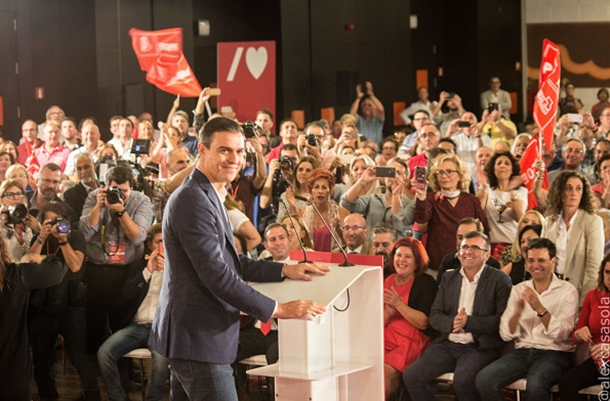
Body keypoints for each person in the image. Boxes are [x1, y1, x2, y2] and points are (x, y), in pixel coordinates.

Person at [149, 117, 328, 400]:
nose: (234, 159)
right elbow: (217, 275)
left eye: (239, 151)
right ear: (202, 151)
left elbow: (233, 261)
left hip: (199, 337)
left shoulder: (209, 193)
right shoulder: (192, 199)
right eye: (224, 150)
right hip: (198, 338)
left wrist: (284, 270)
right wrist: (278, 309)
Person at [403, 231, 512, 401]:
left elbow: (501, 322)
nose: (468, 251)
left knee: (462, 382)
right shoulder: (449, 277)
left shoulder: (500, 279)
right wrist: (453, 321)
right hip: (448, 344)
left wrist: (469, 322)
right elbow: (435, 316)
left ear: (487, 255)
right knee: (412, 376)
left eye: (475, 247)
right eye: (464, 247)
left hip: (479, 347)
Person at [475, 238, 578, 401]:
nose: (535, 265)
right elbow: (505, 334)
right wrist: (516, 313)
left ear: (553, 261)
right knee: (483, 380)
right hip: (523, 351)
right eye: (530, 260)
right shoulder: (519, 289)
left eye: (541, 260)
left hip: (555, 353)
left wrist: (540, 309)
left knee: (535, 384)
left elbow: (564, 334)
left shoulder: (567, 290)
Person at [27, 202, 100, 400]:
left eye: (57, 221)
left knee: (79, 357)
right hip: (44, 305)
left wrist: (63, 241)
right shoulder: (40, 238)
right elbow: (29, 262)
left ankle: (92, 396)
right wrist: (41, 237)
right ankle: (48, 396)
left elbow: (76, 266)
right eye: (48, 222)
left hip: (71, 304)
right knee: (40, 360)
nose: (54, 226)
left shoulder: (74, 236)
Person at [79, 165, 154, 352]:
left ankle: (123, 374)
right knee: (93, 325)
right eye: (114, 190)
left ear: (132, 188)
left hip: (125, 272)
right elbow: (84, 234)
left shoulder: (141, 201)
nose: (118, 195)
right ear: (105, 186)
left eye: (124, 191)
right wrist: (98, 206)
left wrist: (121, 211)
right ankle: (95, 369)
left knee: (121, 325)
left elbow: (137, 237)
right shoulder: (95, 197)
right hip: (95, 270)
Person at [97, 223, 170, 401]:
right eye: (159, 241)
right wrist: (148, 271)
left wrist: (169, 270)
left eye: (166, 242)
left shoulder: (178, 270)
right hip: (137, 327)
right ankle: (118, 398)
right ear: (151, 245)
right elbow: (126, 294)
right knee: (104, 353)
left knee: (161, 360)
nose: (163, 245)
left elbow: (182, 298)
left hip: (162, 327)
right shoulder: (138, 267)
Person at [0, 246, 65, 401]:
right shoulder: (17, 275)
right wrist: (39, 258)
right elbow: (59, 268)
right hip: (12, 377)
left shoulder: (17, 274)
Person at [413, 153, 489, 275]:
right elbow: (421, 223)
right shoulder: (430, 199)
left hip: (468, 263)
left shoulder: (471, 200)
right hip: (437, 263)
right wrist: (421, 198)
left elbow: (484, 230)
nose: (444, 176)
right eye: (440, 172)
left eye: (449, 171)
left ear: (459, 175)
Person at [383, 237, 437, 398]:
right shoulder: (388, 280)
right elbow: (380, 319)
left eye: (408, 256)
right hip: (386, 337)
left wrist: (398, 304)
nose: (402, 260)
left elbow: (424, 323)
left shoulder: (426, 282)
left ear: (417, 262)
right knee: (367, 369)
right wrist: (388, 312)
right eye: (399, 255)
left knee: (386, 373)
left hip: (412, 340)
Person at [543, 171, 603, 305]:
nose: (574, 193)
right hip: (550, 290)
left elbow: (594, 268)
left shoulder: (592, 222)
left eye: (578, 188)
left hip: (578, 291)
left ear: (583, 193)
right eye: (568, 188)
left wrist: (585, 303)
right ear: (560, 191)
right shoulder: (549, 222)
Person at [559, 253, 610, 399]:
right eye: (607, 272)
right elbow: (575, 338)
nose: (609, 278)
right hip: (599, 361)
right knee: (567, 382)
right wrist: (580, 333)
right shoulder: (592, 295)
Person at [341, 157, 415, 237]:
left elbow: (399, 225)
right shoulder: (372, 199)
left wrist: (396, 195)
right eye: (390, 172)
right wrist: (362, 181)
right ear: (384, 177)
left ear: (406, 181)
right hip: (371, 248)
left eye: (398, 173)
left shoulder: (411, 205)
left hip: (395, 248)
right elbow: (346, 203)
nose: (393, 176)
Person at [476, 151, 527, 253]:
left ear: (512, 170)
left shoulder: (520, 191)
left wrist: (512, 196)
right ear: (493, 169)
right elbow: (478, 211)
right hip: (492, 245)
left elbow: (520, 218)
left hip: (513, 245)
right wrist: (483, 187)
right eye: (498, 163)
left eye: (506, 163)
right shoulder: (488, 190)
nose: (502, 166)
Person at [288, 167, 348, 252]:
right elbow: (295, 241)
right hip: (309, 261)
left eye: (324, 187)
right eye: (316, 187)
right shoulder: (303, 212)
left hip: (334, 260)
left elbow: (348, 245)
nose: (320, 191)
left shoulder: (341, 212)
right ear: (311, 191)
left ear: (329, 191)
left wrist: (338, 230)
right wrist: (292, 205)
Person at [437, 217, 501, 284]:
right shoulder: (448, 260)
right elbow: (440, 289)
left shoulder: (492, 264)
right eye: (460, 237)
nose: (463, 242)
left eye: (469, 237)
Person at [0, 179, 38, 260]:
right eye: (10, 195)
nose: (16, 197)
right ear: (1, 200)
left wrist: (38, 232)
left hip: (24, 269)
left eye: (19, 194)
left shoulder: (27, 221)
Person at [63, 153, 100, 226]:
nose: (83, 172)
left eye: (86, 167)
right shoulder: (70, 195)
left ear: (94, 165)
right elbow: (73, 224)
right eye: (79, 169)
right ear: (75, 171)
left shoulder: (105, 187)